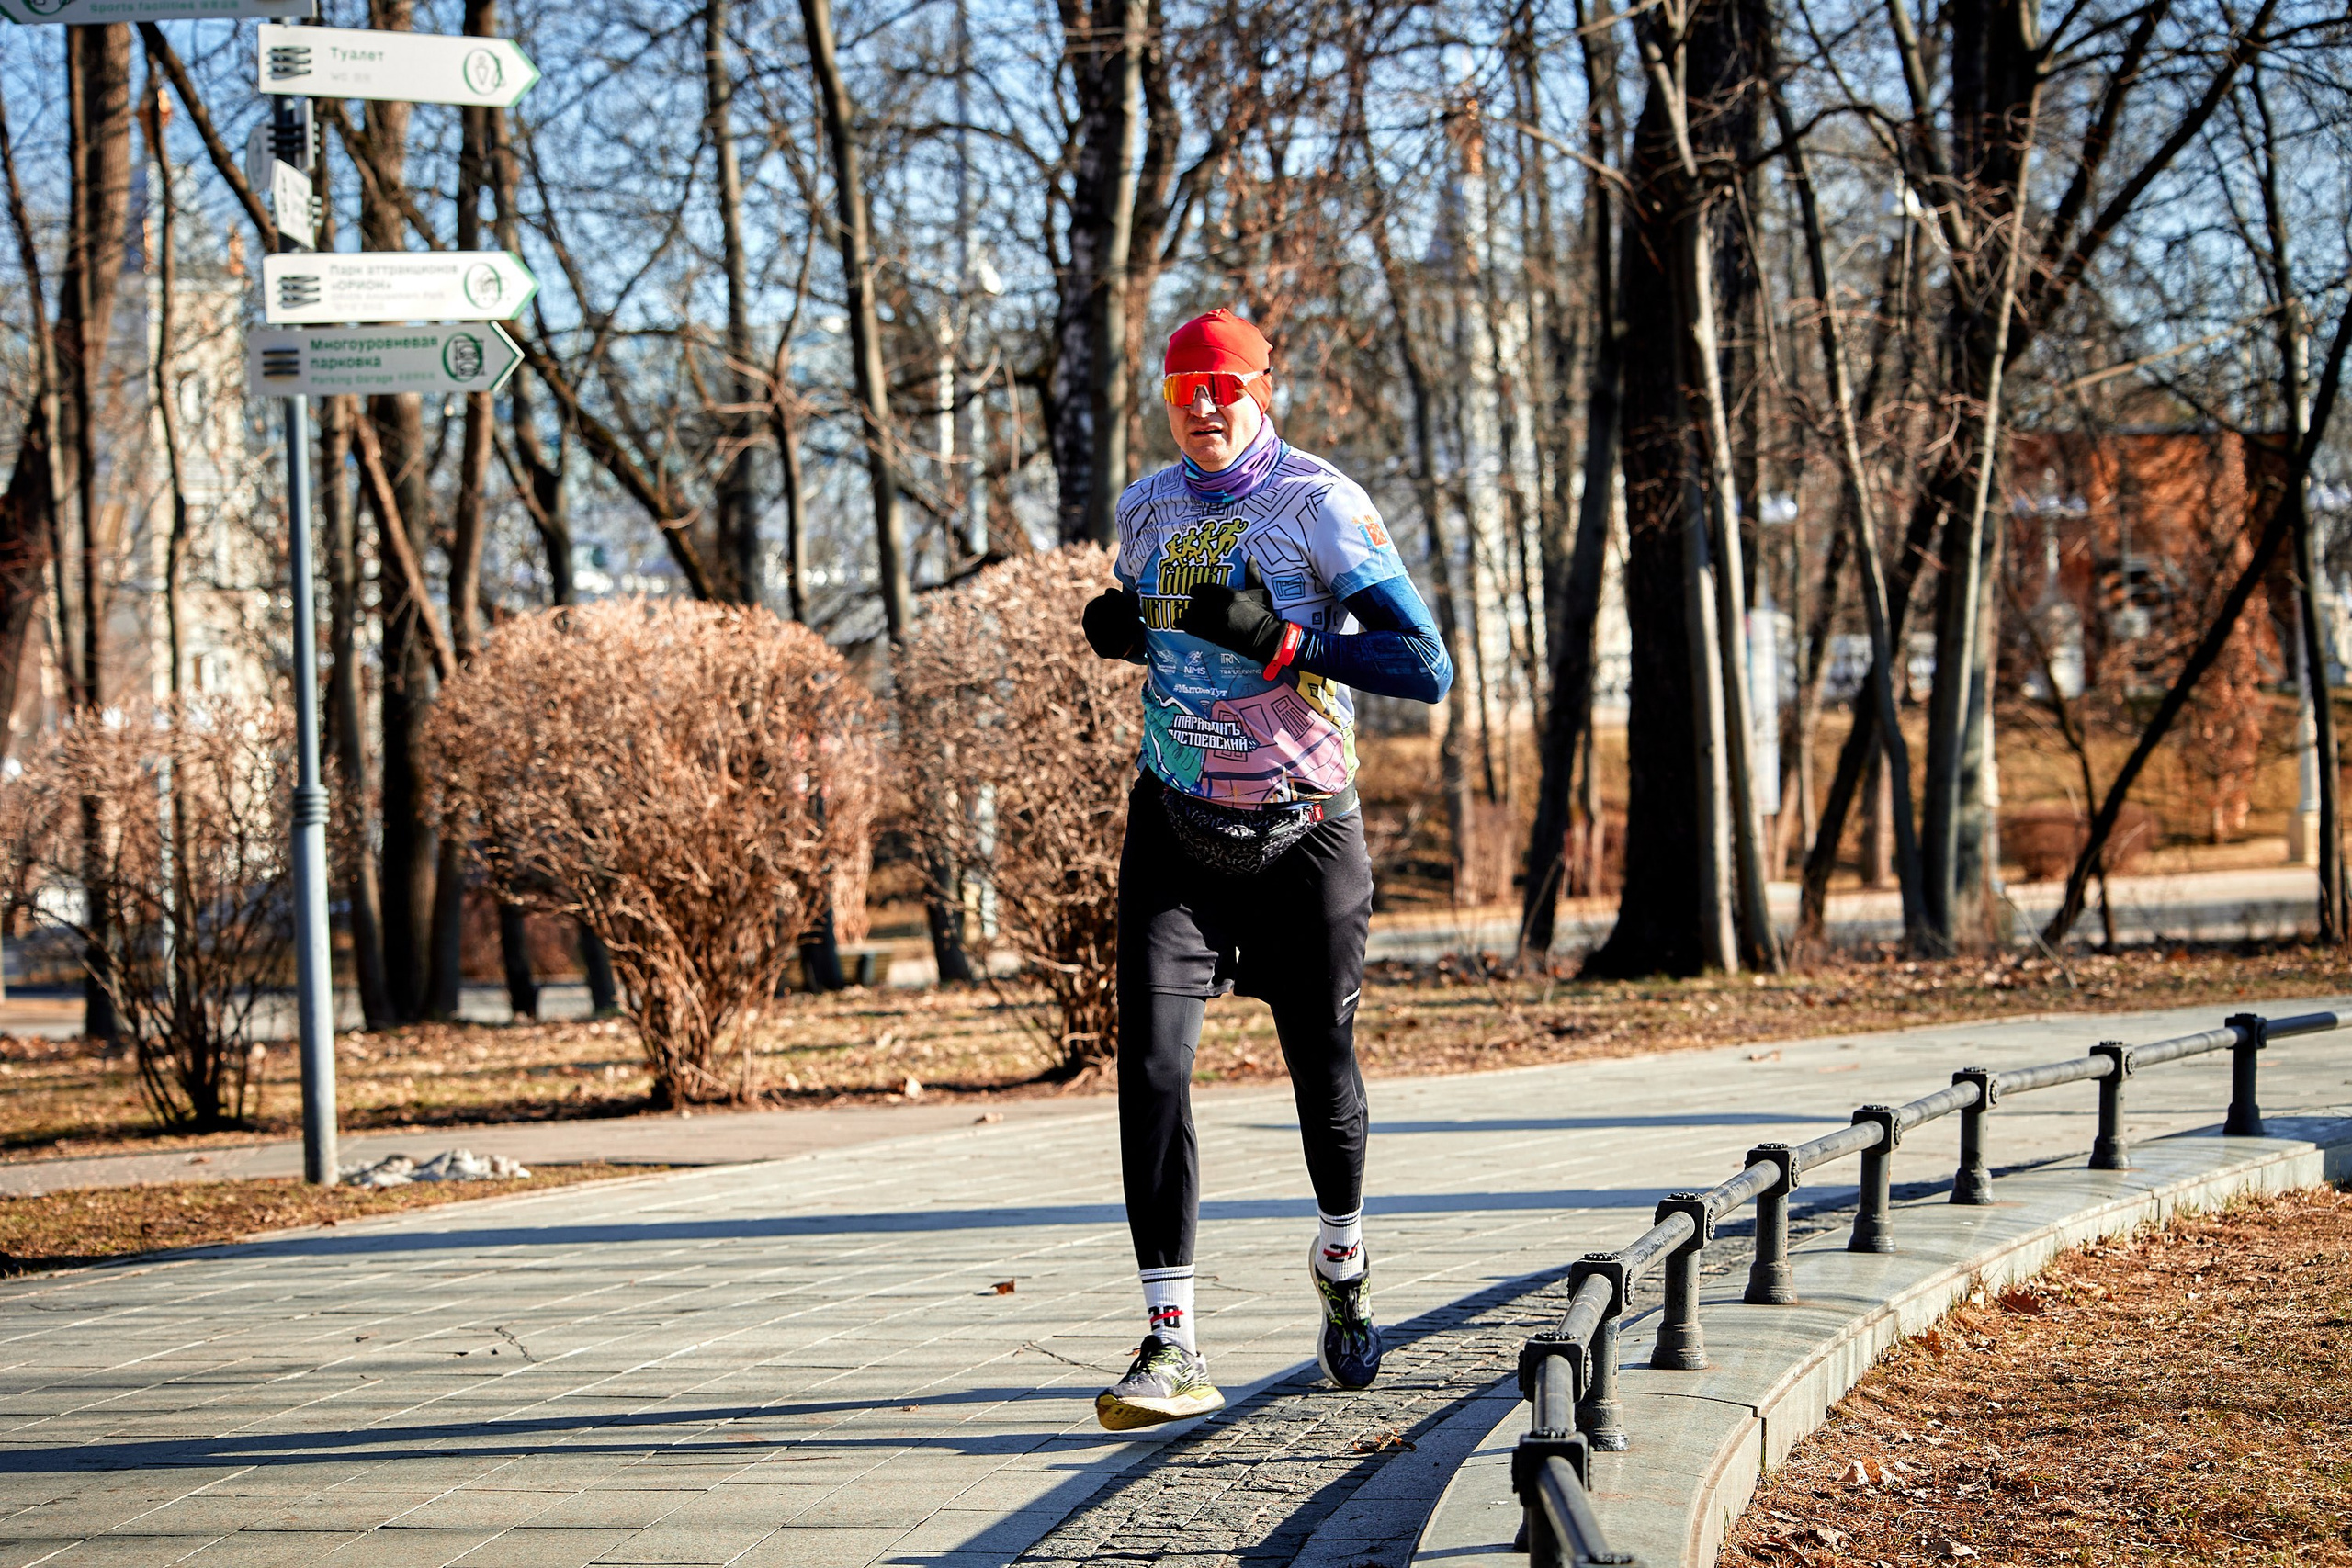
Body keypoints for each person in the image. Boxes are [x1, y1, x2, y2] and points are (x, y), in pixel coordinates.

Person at [1080, 309, 1454, 1430]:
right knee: (1149, 1068)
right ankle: (1169, 1345)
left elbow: (1422, 666)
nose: (1204, 406)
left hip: (1304, 833)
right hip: (1176, 826)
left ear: (1261, 388)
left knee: (1321, 1071)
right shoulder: (1144, 508)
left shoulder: (1319, 504)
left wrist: (1288, 644)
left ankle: (1341, 1258)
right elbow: (1166, 625)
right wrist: (1123, 625)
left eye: (1224, 387)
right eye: (1183, 388)